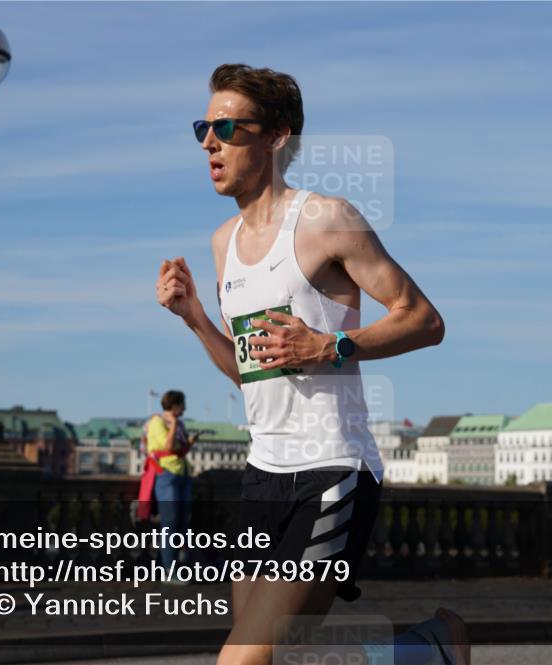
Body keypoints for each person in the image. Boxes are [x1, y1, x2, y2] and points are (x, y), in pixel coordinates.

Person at [156, 64, 469, 665]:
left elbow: (423, 319)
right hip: (262, 472)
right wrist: (195, 316)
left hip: (332, 469)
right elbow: (251, 374)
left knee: (241, 659)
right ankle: (423, 651)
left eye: (227, 127)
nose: (209, 142)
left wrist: (330, 346)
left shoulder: (326, 219)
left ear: (277, 136)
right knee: (283, 654)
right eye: (203, 126)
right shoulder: (223, 241)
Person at [141, 390, 198, 569]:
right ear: (174, 405)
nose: (185, 408)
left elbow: (180, 450)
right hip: (166, 474)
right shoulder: (157, 422)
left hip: (182, 474)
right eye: (182, 404)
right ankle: (169, 569)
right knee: (170, 521)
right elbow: (168, 445)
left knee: (181, 520)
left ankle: (165, 563)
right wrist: (173, 424)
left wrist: (190, 442)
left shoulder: (179, 423)